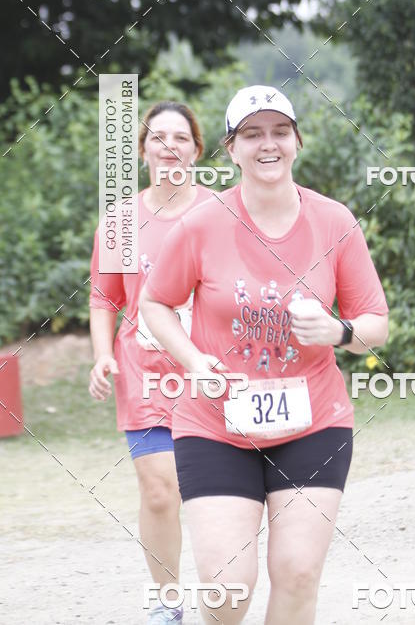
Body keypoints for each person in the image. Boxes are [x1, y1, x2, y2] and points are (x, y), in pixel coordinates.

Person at [138, 85, 389, 625]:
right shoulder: (201, 224)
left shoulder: (335, 223)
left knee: (297, 571)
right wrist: (193, 360)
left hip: (313, 422)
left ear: (297, 141)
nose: (267, 144)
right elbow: (155, 303)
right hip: (215, 426)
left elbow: (376, 325)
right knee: (228, 588)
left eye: (279, 132)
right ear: (231, 149)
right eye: (252, 134)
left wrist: (338, 330)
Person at [89, 101, 212, 624]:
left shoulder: (221, 211)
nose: (169, 147)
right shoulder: (120, 221)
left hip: (209, 374)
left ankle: (224, 592)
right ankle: (167, 604)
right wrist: (100, 357)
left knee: (209, 493)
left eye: (180, 138)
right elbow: (103, 298)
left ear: (197, 150)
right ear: (142, 152)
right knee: (160, 490)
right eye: (157, 138)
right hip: (142, 371)